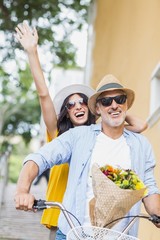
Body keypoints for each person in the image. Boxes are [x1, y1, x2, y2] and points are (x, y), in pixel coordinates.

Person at [14, 22, 149, 237]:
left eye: (82, 102)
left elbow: (140, 125)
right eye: (70, 104)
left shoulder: (99, 135)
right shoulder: (59, 134)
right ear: (66, 112)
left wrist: (112, 105)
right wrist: (32, 52)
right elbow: (43, 95)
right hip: (63, 218)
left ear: (91, 107)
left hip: (99, 221)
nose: (77, 106)